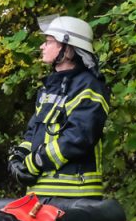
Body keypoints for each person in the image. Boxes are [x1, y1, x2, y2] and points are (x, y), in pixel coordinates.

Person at [8, 15, 110, 198]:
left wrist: (38, 161)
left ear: (67, 47)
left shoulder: (89, 86)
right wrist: (18, 158)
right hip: (39, 196)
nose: (42, 47)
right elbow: (34, 132)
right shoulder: (49, 88)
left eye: (48, 42)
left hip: (76, 198)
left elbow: (79, 137)